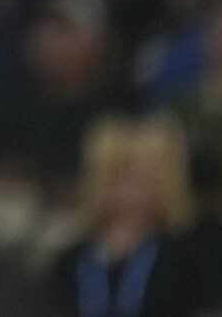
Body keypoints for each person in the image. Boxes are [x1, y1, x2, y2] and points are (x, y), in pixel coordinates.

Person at [49, 116, 212, 317]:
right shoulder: (71, 261)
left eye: (144, 182)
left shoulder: (184, 259)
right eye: (121, 180)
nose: (132, 193)